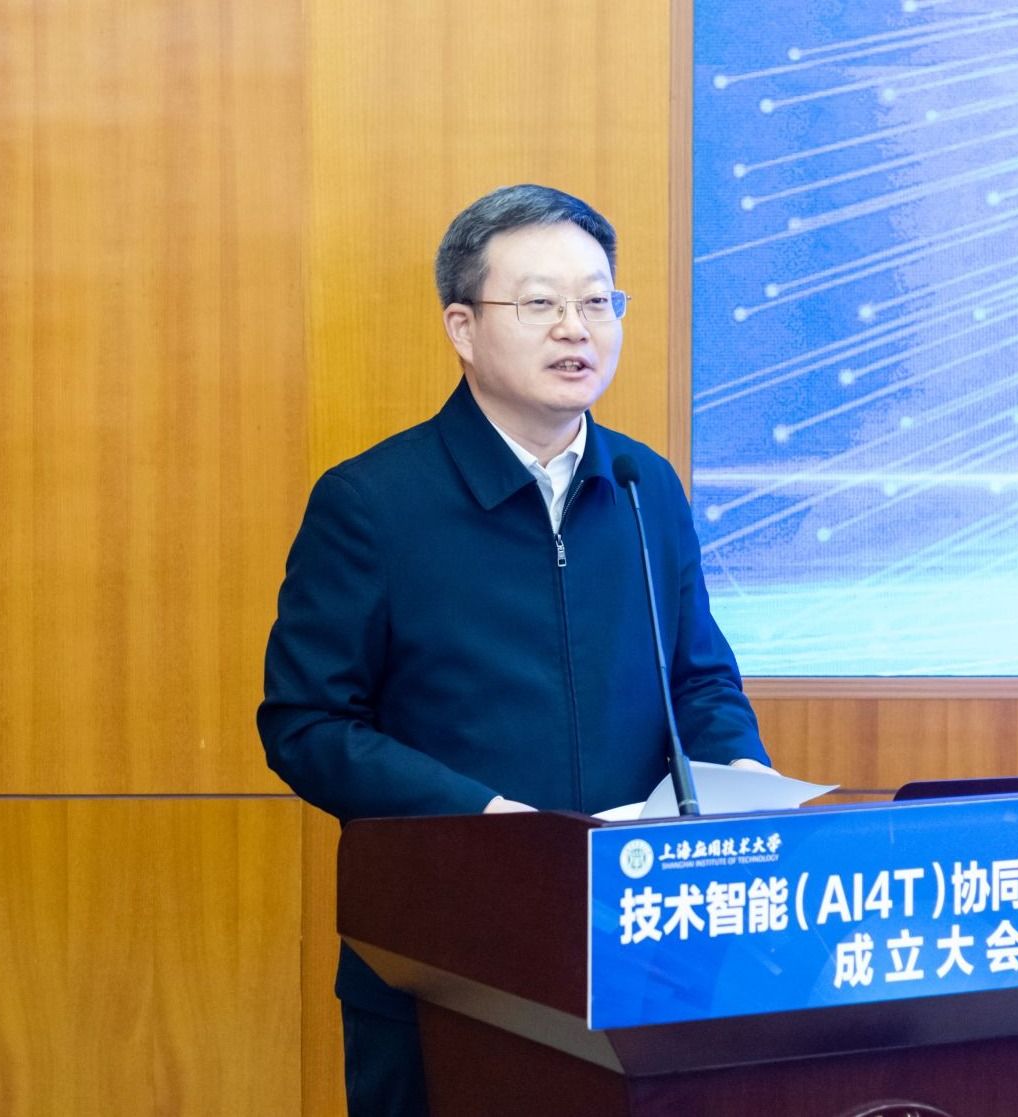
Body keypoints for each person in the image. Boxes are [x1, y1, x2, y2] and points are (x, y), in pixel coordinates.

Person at [258, 184, 772, 1117]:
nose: (577, 328)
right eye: (540, 303)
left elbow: (699, 680)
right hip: (446, 958)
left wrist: (740, 781)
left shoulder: (643, 485)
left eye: (597, 301)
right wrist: (488, 820)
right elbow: (308, 724)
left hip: (641, 948)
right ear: (462, 326)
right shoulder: (373, 503)